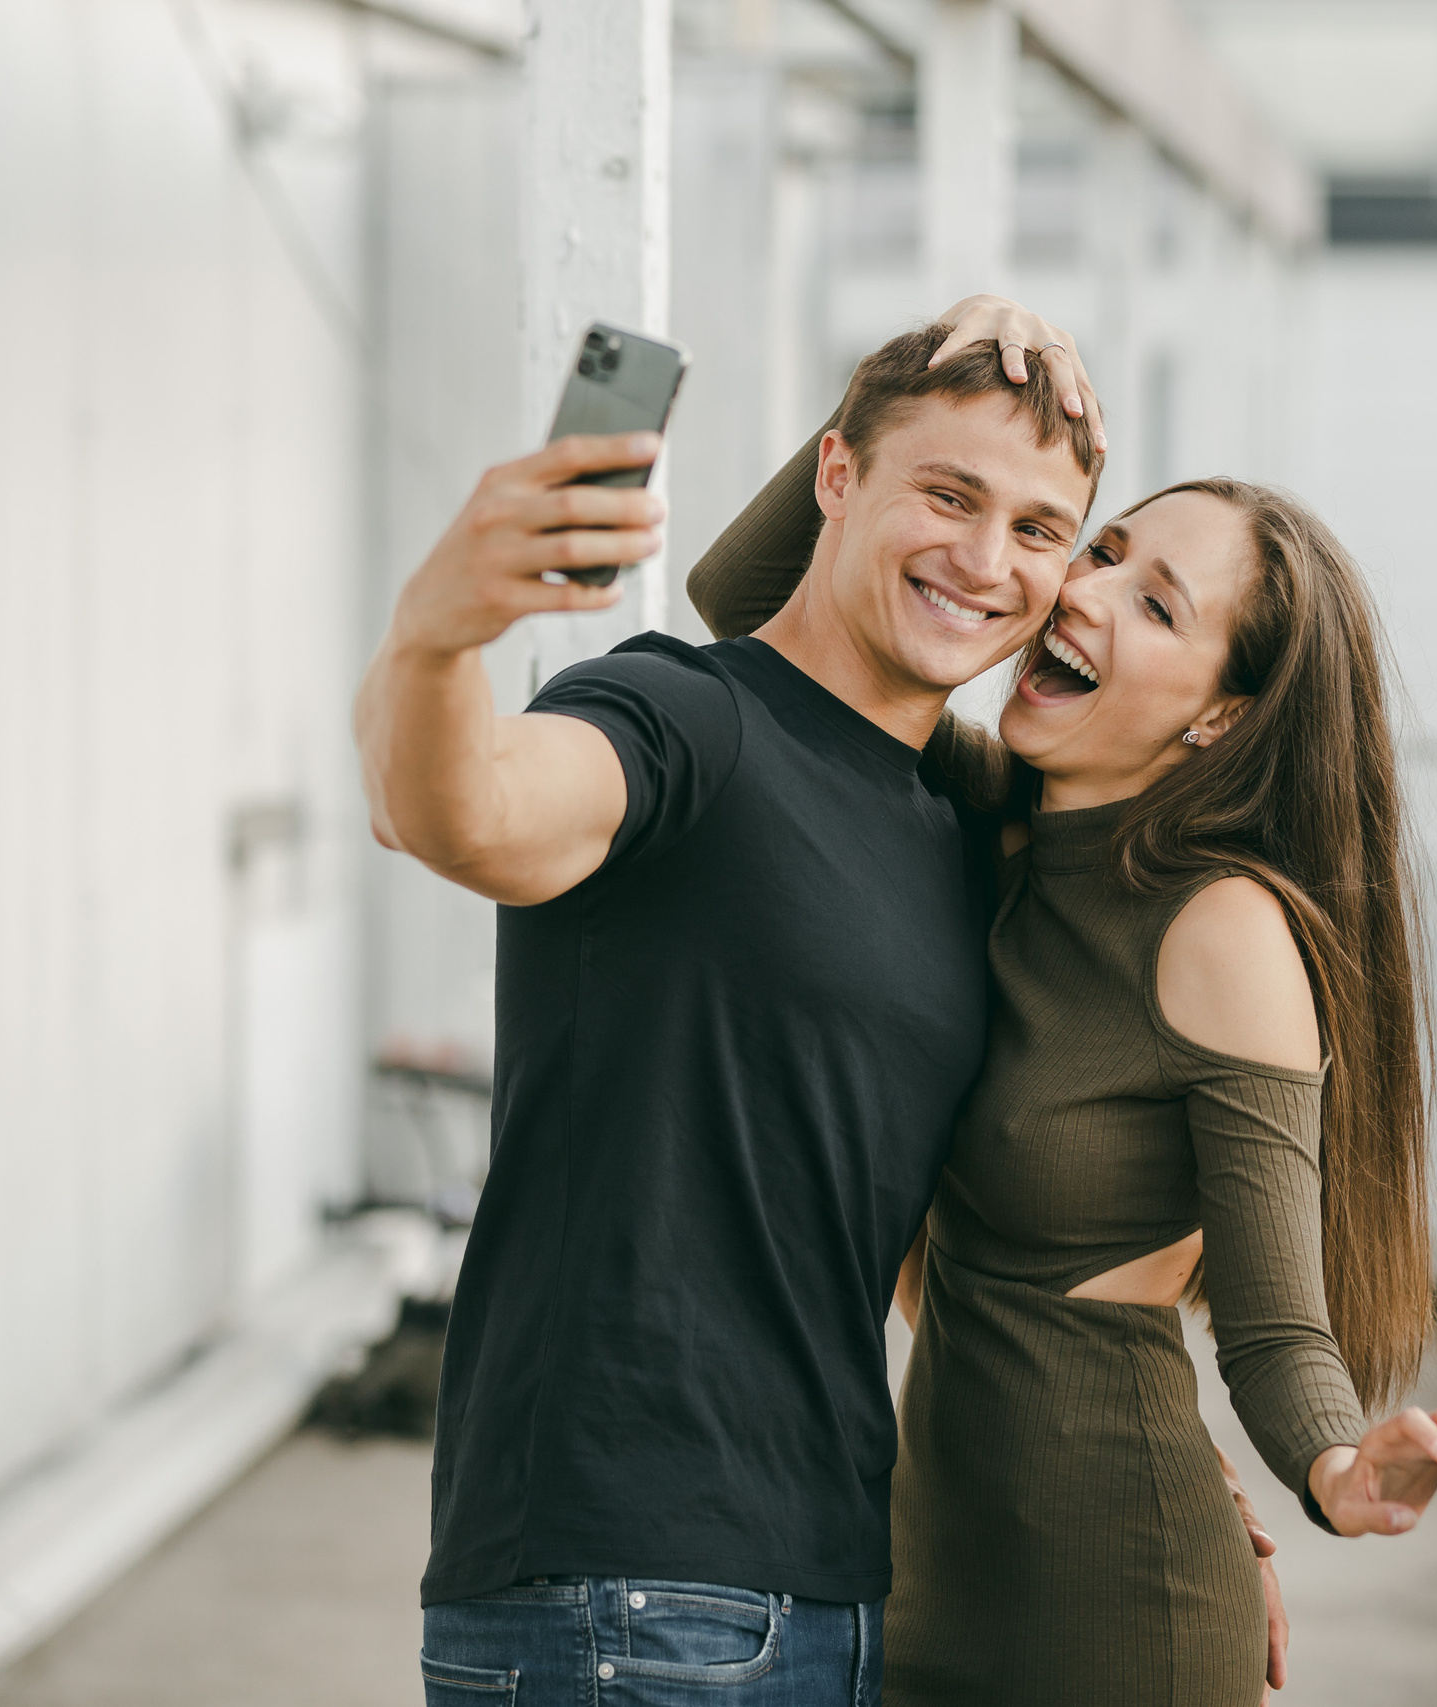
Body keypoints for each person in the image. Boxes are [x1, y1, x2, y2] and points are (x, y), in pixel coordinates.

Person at [688, 339, 1437, 1705]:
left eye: (1160, 604)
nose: (1084, 591)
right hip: (921, 1583)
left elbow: (1271, 1322)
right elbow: (751, 611)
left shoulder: (1221, 927)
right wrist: (923, 372)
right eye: (1109, 550)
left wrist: (1333, 1471)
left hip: (1118, 1610)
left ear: (1217, 721)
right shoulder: (967, 817)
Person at [357, 299, 1110, 1705]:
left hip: (829, 1579)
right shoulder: (688, 718)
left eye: (1037, 528)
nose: (984, 560)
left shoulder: (952, 826)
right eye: (945, 495)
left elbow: (921, 1261)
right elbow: (469, 813)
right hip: (625, 1592)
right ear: (837, 477)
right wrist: (435, 638)